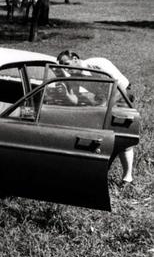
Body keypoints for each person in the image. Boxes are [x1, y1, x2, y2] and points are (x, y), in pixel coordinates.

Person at [57, 50, 135, 184]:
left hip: (122, 95)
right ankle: (96, 173)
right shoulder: (73, 75)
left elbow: (120, 86)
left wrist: (104, 106)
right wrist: (66, 93)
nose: (65, 68)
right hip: (102, 101)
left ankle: (127, 177)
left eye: (66, 64)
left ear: (75, 59)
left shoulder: (97, 64)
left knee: (122, 135)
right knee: (98, 135)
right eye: (62, 65)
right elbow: (75, 100)